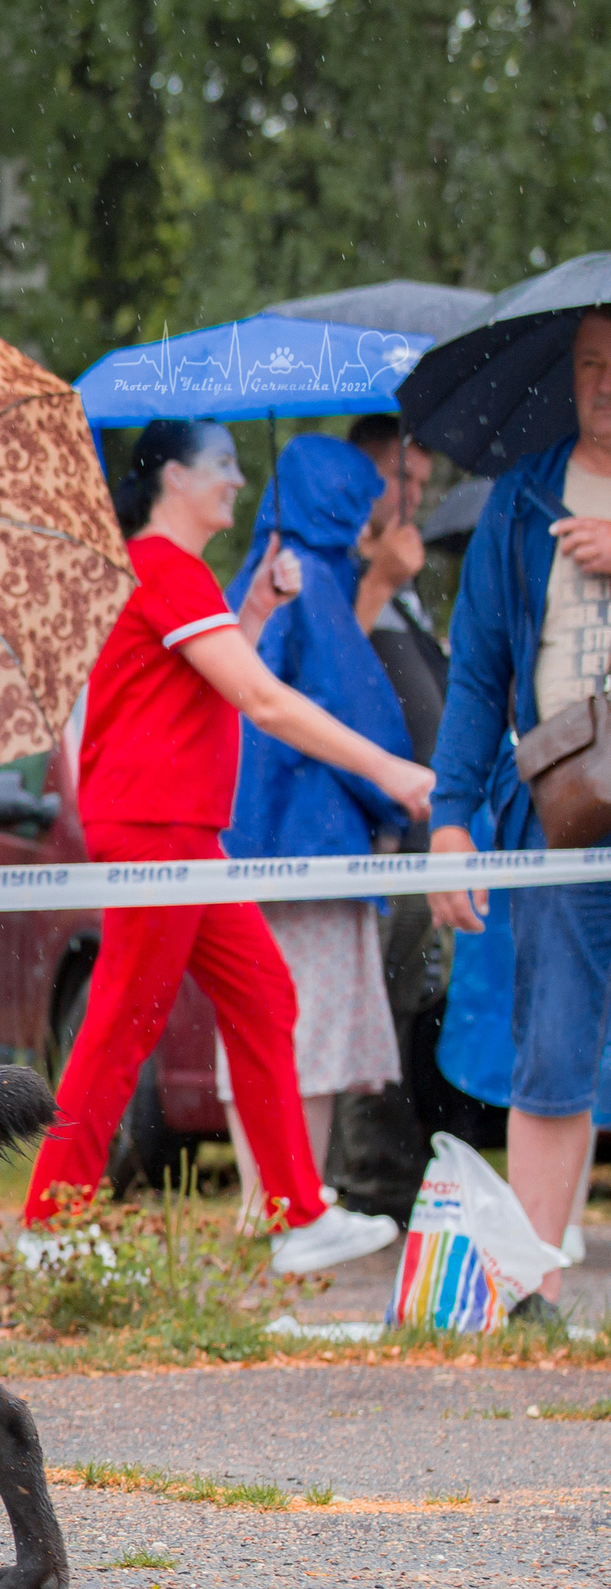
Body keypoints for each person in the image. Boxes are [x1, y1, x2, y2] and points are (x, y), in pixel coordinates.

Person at [21, 418, 433, 1272]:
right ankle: (49, 1225)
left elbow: (207, 675)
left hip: (180, 832)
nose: (238, 482)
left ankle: (293, 1211)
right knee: (121, 1025)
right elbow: (263, 700)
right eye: (222, 465)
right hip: (156, 833)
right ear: (173, 475)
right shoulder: (165, 569)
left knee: (262, 995)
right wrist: (391, 769)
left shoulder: (175, 576)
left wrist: (254, 607)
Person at [427, 306, 611, 1324]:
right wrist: (451, 816)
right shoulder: (520, 496)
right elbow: (475, 673)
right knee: (554, 1040)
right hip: (566, 808)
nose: (603, 387)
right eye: (589, 367)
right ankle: (534, 1284)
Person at [213, 435, 413, 1226]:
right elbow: (362, 714)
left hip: (241, 846)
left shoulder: (254, 579)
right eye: (363, 500)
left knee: (252, 1028)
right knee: (313, 1032)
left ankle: (261, 1203)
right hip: (316, 851)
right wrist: (399, 798)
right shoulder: (318, 584)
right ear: (339, 501)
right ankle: (294, 1208)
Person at [337, 414, 452, 1217]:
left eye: (422, 480)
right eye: (398, 476)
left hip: (422, 833)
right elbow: (326, 673)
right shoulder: (337, 573)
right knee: (367, 1005)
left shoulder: (409, 593)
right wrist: (376, 578)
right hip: (372, 836)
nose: (414, 495)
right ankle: (362, 1177)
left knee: (406, 1003)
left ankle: (392, 1170)